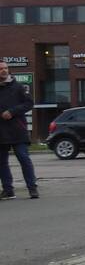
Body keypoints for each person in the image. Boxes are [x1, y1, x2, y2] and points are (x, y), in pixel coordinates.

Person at [0, 60, 39, 200]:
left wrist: (12, 111)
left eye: (5, 68)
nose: (4, 71)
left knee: (23, 158)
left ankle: (32, 188)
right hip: (1, 131)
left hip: (17, 129)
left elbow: (29, 103)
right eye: (1, 69)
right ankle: (8, 189)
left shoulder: (17, 87)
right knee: (1, 162)